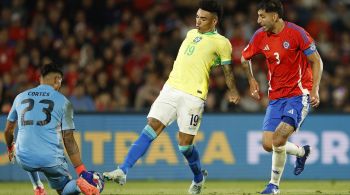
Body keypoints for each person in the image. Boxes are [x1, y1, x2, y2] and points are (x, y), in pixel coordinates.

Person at [103, 0, 240, 194]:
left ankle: (198, 178)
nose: (198, 21)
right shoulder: (190, 34)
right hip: (171, 88)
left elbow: (227, 70)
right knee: (151, 126)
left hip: (194, 95)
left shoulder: (222, 42)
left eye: (203, 18)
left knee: (185, 146)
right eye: (197, 17)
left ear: (214, 21)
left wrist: (232, 90)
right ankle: (123, 169)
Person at [241, 0, 323, 194]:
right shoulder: (260, 36)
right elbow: (245, 59)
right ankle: (302, 152)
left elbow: (316, 61)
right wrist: (252, 81)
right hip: (276, 97)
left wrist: (315, 89)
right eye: (258, 16)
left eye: (262, 16)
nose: (258, 20)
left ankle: (273, 186)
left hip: (298, 94)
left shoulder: (297, 33)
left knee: (278, 139)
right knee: (268, 145)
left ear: (275, 16)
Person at [4, 63, 101, 195]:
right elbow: (68, 139)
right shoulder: (64, 102)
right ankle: (79, 184)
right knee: (63, 190)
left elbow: (8, 130)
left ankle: (38, 187)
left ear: (40, 79)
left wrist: (10, 148)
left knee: (19, 146)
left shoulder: (20, 97)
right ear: (57, 80)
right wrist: (81, 171)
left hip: (24, 159)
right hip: (50, 160)